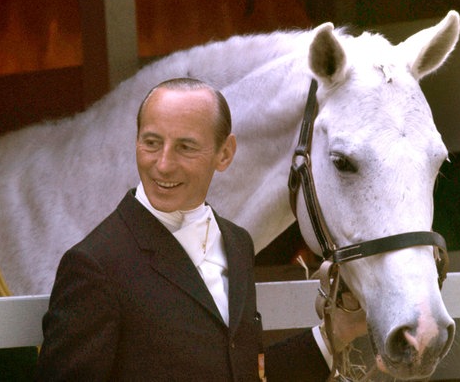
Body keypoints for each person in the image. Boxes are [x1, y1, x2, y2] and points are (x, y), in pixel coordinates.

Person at [36, 78, 364, 381]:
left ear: (225, 153)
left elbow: (241, 371)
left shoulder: (237, 243)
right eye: (151, 142)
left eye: (185, 147)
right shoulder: (94, 265)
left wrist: (335, 333)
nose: (162, 164)